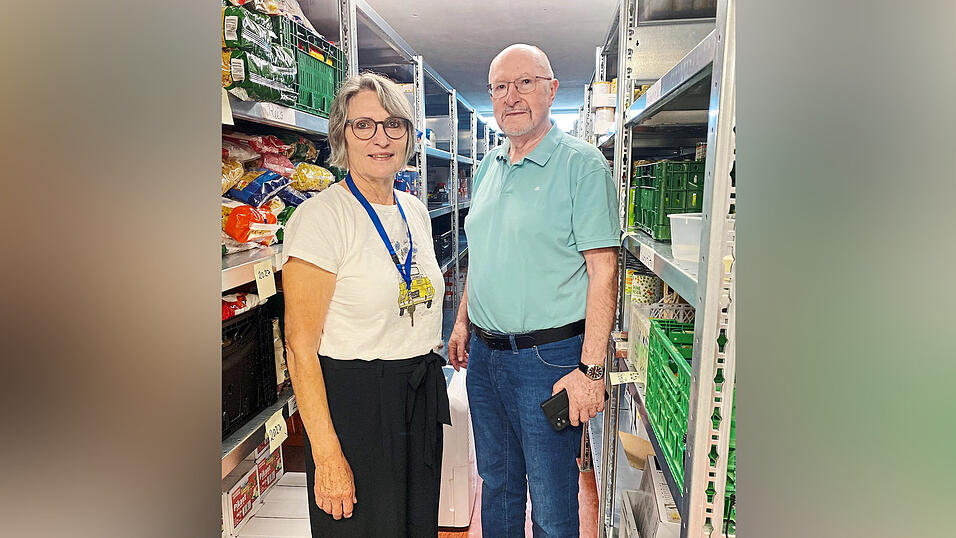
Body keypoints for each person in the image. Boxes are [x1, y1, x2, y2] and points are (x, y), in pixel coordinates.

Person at [447, 44, 620, 537]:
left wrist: (590, 370)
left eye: (524, 83)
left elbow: (603, 271)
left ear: (550, 89)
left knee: (551, 495)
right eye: (500, 87)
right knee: (497, 483)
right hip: (485, 358)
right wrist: (462, 321)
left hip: (550, 359)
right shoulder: (487, 167)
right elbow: (481, 254)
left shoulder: (581, 166)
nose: (511, 96)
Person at [281, 72, 450, 537]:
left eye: (394, 124)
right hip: (355, 404)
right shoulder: (321, 219)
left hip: (416, 392)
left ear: (409, 135)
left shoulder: (413, 209)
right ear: (342, 135)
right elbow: (300, 348)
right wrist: (327, 454)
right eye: (364, 126)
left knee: (414, 526)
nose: (381, 138)